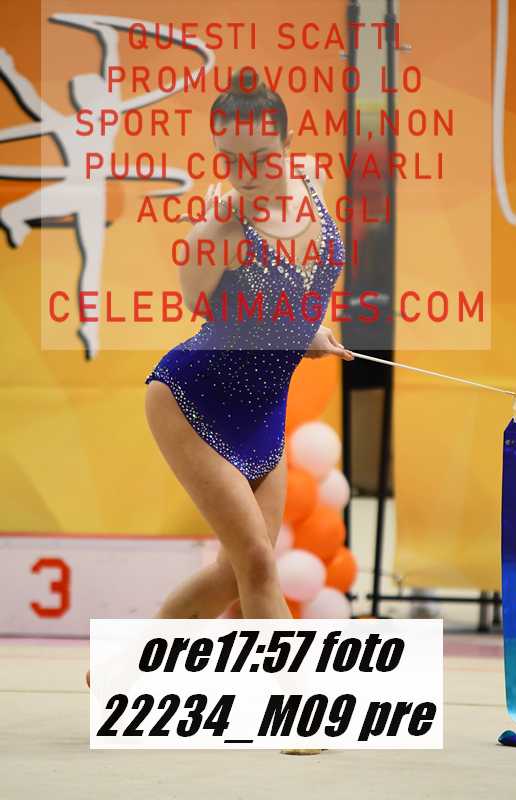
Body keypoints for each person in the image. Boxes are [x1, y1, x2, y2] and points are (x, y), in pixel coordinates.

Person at [88, 67, 353, 754]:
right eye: (229, 157)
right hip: (192, 398)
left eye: (259, 156)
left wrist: (311, 333)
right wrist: (221, 223)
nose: (245, 171)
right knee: (259, 564)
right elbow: (200, 303)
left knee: (235, 569)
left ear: (287, 145)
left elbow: (290, 299)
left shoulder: (313, 189)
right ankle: (293, 713)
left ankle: (124, 667)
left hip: (264, 409)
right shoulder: (222, 220)